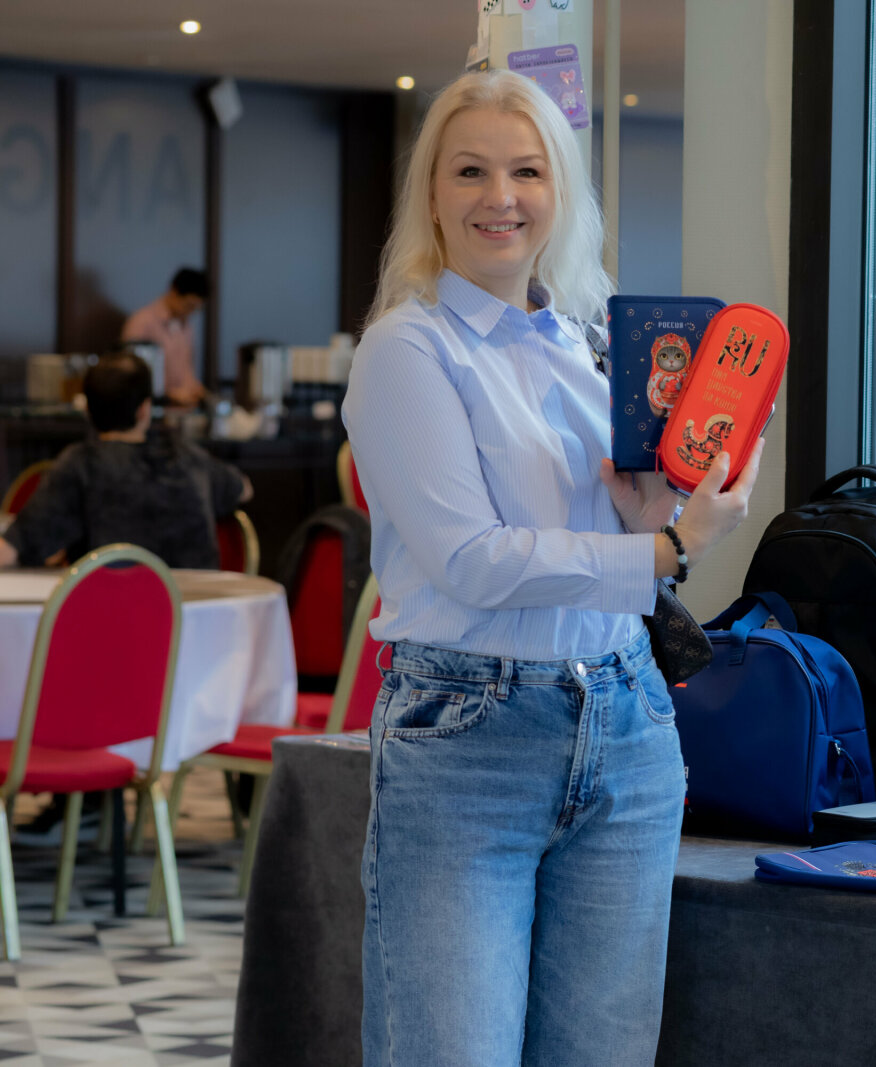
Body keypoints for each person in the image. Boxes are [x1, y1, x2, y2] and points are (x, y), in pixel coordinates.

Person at [342, 69, 762, 1067]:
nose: (501, 197)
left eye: (527, 171)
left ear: (560, 190)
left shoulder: (588, 342)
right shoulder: (407, 349)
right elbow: (473, 560)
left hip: (627, 720)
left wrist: (655, 514)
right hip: (468, 736)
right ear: (430, 193)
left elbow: (610, 538)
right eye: (470, 171)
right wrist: (664, 549)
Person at [0, 350, 251, 571]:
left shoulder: (81, 463)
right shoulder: (187, 455)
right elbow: (244, 489)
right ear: (144, 409)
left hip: (115, 606)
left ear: (87, 410)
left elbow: (11, 551)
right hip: (198, 606)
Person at [121, 266, 209, 408]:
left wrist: (194, 388)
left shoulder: (186, 325)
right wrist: (169, 395)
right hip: (153, 409)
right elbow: (130, 376)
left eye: (196, 309)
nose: (191, 312)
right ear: (174, 292)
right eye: (189, 305)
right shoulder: (142, 322)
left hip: (182, 410)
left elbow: (186, 368)